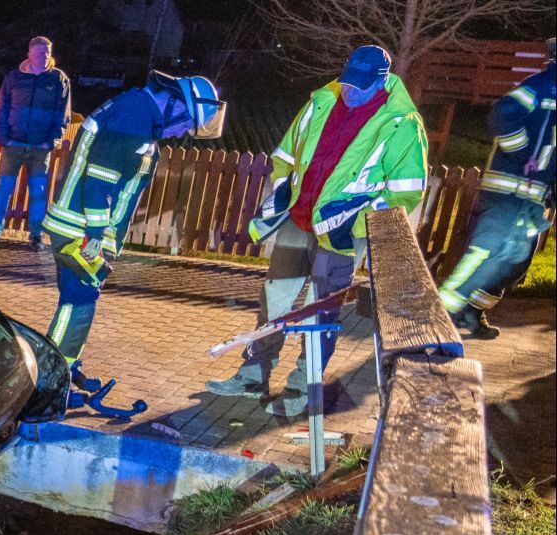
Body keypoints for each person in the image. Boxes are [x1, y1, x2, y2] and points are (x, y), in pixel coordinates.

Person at [207, 45, 427, 416]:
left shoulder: (402, 122)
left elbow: (406, 190)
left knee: (319, 312)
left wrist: (355, 218)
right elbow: (287, 155)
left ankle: (303, 388)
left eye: (361, 86)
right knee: (275, 299)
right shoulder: (321, 101)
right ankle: (251, 376)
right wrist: (282, 195)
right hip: (299, 218)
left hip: (343, 235)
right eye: (348, 82)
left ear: (382, 80)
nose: (351, 91)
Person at [43, 71, 226, 365]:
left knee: (78, 300)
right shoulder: (134, 116)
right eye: (186, 123)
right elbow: (100, 180)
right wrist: (98, 234)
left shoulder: (138, 113)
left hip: (81, 225)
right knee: (78, 302)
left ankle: (63, 367)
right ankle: (53, 374)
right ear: (176, 105)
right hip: (82, 229)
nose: (181, 133)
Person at [437, 38, 555, 340]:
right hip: (508, 192)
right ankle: (442, 312)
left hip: (533, 197)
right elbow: (502, 113)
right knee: (486, 254)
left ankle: (471, 312)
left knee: (515, 263)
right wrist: (522, 153)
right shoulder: (541, 86)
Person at [0, 36, 70, 248]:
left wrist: (50, 142)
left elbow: (62, 114)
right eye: (41, 52)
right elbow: (0, 108)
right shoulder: (14, 78)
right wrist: (3, 138)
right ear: (29, 53)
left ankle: (36, 235)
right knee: (3, 189)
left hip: (40, 148)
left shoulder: (58, 79)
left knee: (38, 193)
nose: (45, 56)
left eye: (48, 52)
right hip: (13, 145)